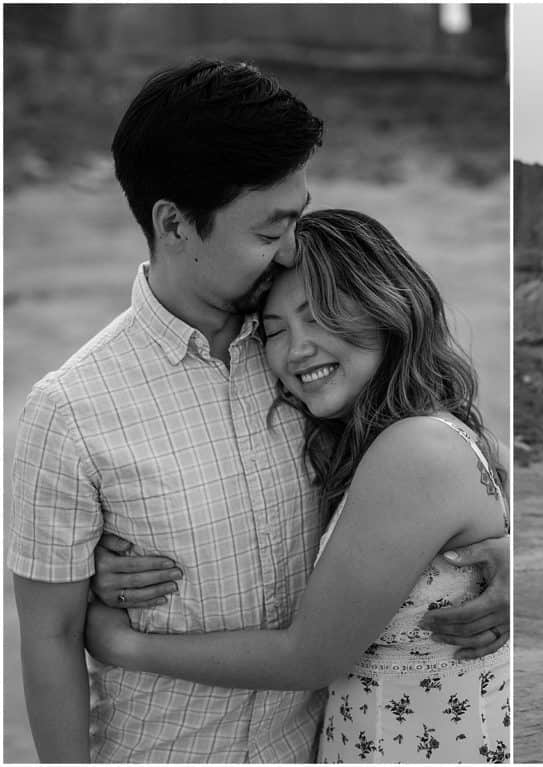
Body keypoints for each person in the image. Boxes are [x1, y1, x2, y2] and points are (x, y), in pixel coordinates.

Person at [8, 60, 508, 764]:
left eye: (297, 218)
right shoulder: (71, 411)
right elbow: (51, 636)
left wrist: (503, 553)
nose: (296, 248)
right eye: (271, 229)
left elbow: (446, 457)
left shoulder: (307, 365)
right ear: (176, 224)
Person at [85, 208, 510, 763]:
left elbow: (309, 658)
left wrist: (123, 644)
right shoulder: (425, 430)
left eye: (320, 316)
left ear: (389, 306)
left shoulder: (414, 449)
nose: (296, 349)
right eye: (276, 330)